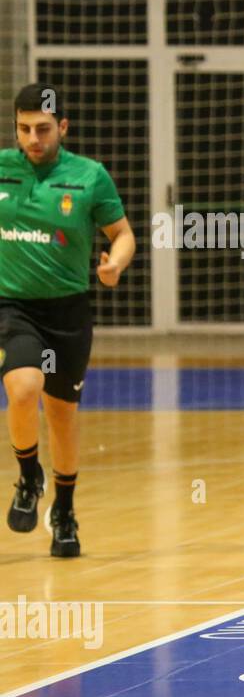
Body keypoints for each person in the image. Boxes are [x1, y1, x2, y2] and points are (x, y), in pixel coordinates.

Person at [1, 82, 135, 557]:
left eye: (42, 129)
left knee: (61, 415)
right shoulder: (3, 169)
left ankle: (64, 511)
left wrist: (115, 264)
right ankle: (28, 475)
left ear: (62, 127)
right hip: (12, 306)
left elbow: (122, 234)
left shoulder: (88, 176)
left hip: (68, 309)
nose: (32, 138)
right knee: (22, 388)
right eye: (23, 130)